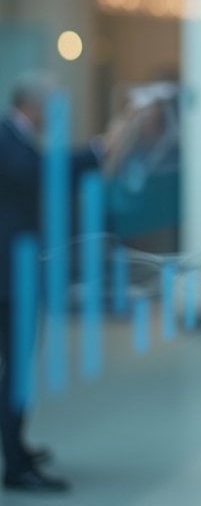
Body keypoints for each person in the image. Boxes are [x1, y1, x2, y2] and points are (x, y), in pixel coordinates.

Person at [0, 75, 103, 492]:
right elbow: (43, 174)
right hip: (10, 278)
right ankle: (17, 466)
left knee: (18, 369)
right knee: (18, 371)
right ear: (32, 105)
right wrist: (97, 150)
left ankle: (16, 447)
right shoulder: (7, 138)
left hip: (16, 273)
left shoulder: (16, 137)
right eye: (54, 107)